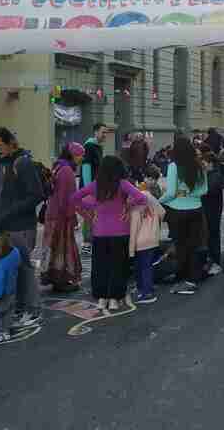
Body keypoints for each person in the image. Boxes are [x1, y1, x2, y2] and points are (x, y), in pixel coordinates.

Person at [71, 155, 147, 310]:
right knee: (118, 266)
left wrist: (92, 210)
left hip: (100, 232)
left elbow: (74, 198)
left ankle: (101, 298)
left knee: (100, 266)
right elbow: (141, 198)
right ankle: (114, 298)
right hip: (121, 232)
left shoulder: (95, 185)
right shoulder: (123, 184)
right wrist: (128, 205)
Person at [0, 127, 45, 328]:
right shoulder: (2, 164)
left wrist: (10, 211)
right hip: (5, 226)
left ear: (11, 142)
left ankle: (32, 310)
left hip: (21, 226)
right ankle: (21, 308)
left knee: (24, 269)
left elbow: (36, 194)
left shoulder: (23, 163)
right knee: (12, 269)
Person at [159, 137, 208, 295]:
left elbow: (171, 192)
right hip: (196, 209)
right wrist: (190, 193)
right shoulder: (199, 165)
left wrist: (157, 201)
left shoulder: (174, 166)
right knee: (194, 245)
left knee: (181, 246)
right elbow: (204, 190)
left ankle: (181, 276)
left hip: (178, 211)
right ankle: (192, 280)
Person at [44, 142, 84, 293]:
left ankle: (54, 277)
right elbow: (67, 198)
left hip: (53, 214)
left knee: (54, 247)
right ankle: (61, 280)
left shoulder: (58, 166)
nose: (81, 158)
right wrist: (71, 217)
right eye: (80, 155)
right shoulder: (67, 170)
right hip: (61, 216)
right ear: (73, 155)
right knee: (62, 248)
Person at [129, 181, 166, 304]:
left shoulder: (135, 206)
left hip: (140, 241)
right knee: (148, 266)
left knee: (140, 267)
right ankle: (147, 287)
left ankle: (145, 292)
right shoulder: (152, 199)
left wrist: (131, 249)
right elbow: (162, 212)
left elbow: (134, 228)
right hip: (153, 239)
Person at [80, 123, 107, 255]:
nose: (105, 135)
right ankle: (86, 244)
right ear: (95, 132)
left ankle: (93, 241)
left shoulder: (98, 147)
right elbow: (86, 168)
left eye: (106, 133)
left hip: (97, 188)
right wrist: (88, 190)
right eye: (103, 132)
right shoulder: (89, 146)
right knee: (89, 216)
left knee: (95, 215)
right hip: (90, 190)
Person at [200, 147, 224, 276]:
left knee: (213, 234)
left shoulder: (215, 175)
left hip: (213, 210)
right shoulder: (208, 174)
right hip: (208, 209)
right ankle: (211, 260)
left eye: (204, 163)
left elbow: (207, 190)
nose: (202, 165)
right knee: (208, 235)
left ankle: (216, 262)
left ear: (210, 163)